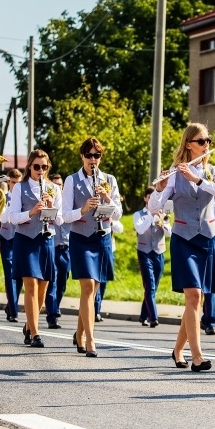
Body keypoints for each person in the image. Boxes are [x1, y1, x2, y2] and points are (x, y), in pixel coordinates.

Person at [149, 123, 215, 371]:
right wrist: (159, 189)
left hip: (208, 237)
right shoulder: (175, 173)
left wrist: (198, 179)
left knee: (199, 298)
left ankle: (178, 349)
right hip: (184, 238)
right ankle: (198, 356)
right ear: (188, 144)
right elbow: (154, 207)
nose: (206, 145)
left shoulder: (213, 172)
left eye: (208, 141)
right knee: (193, 296)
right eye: (202, 141)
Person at [62, 137, 122, 358]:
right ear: (82, 156)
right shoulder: (71, 180)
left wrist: (107, 198)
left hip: (102, 238)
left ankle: (79, 334)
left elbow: (118, 214)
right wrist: (83, 209)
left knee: (93, 289)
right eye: (89, 155)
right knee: (87, 286)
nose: (93, 159)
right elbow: (64, 215)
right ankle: (90, 339)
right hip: (80, 238)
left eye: (97, 155)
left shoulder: (109, 180)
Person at [8, 149, 62, 348]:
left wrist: (50, 207)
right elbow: (13, 217)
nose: (40, 171)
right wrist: (31, 212)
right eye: (37, 167)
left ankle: (29, 325)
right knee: (30, 284)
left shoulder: (53, 189)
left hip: (46, 240)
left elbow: (61, 219)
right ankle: (35, 333)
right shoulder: (19, 188)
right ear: (29, 166)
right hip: (25, 239)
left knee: (42, 288)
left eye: (44, 167)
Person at [134, 186, 171, 327]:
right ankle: (153, 317)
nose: (151, 201)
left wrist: (162, 222)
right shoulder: (138, 215)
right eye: (149, 198)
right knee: (149, 285)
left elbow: (169, 234)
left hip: (159, 252)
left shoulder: (162, 214)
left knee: (153, 286)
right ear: (145, 199)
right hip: (144, 252)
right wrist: (151, 215)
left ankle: (143, 315)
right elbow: (140, 229)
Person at [45, 173, 70, 329]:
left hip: (66, 247)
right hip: (52, 246)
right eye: (55, 185)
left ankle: (56, 306)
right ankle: (52, 315)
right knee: (52, 282)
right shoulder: (48, 201)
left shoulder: (68, 203)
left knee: (62, 283)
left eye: (60, 185)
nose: (58, 187)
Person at [0, 169, 22, 323]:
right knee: (9, 274)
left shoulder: (23, 198)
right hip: (6, 237)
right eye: (13, 182)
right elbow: (2, 217)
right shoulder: (3, 198)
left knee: (19, 275)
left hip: (20, 238)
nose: (15, 185)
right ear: (9, 182)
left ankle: (11, 304)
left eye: (18, 183)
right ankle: (13, 310)